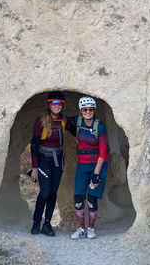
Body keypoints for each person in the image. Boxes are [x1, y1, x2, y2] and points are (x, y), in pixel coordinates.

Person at [29, 91, 75, 236]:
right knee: (45, 191)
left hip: (58, 158)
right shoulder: (41, 120)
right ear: (49, 104)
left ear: (62, 105)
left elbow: (74, 130)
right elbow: (34, 144)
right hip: (43, 159)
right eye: (54, 103)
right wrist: (34, 168)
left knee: (53, 192)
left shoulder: (63, 119)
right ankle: (36, 223)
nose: (57, 106)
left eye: (59, 103)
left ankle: (47, 224)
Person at [70, 96, 108, 240]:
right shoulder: (77, 121)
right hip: (82, 164)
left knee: (92, 197)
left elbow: (103, 153)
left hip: (98, 164)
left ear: (94, 110)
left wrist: (96, 174)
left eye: (90, 109)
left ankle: (91, 228)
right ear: (81, 110)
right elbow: (64, 121)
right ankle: (81, 228)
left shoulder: (100, 126)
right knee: (78, 196)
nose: (88, 112)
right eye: (85, 109)